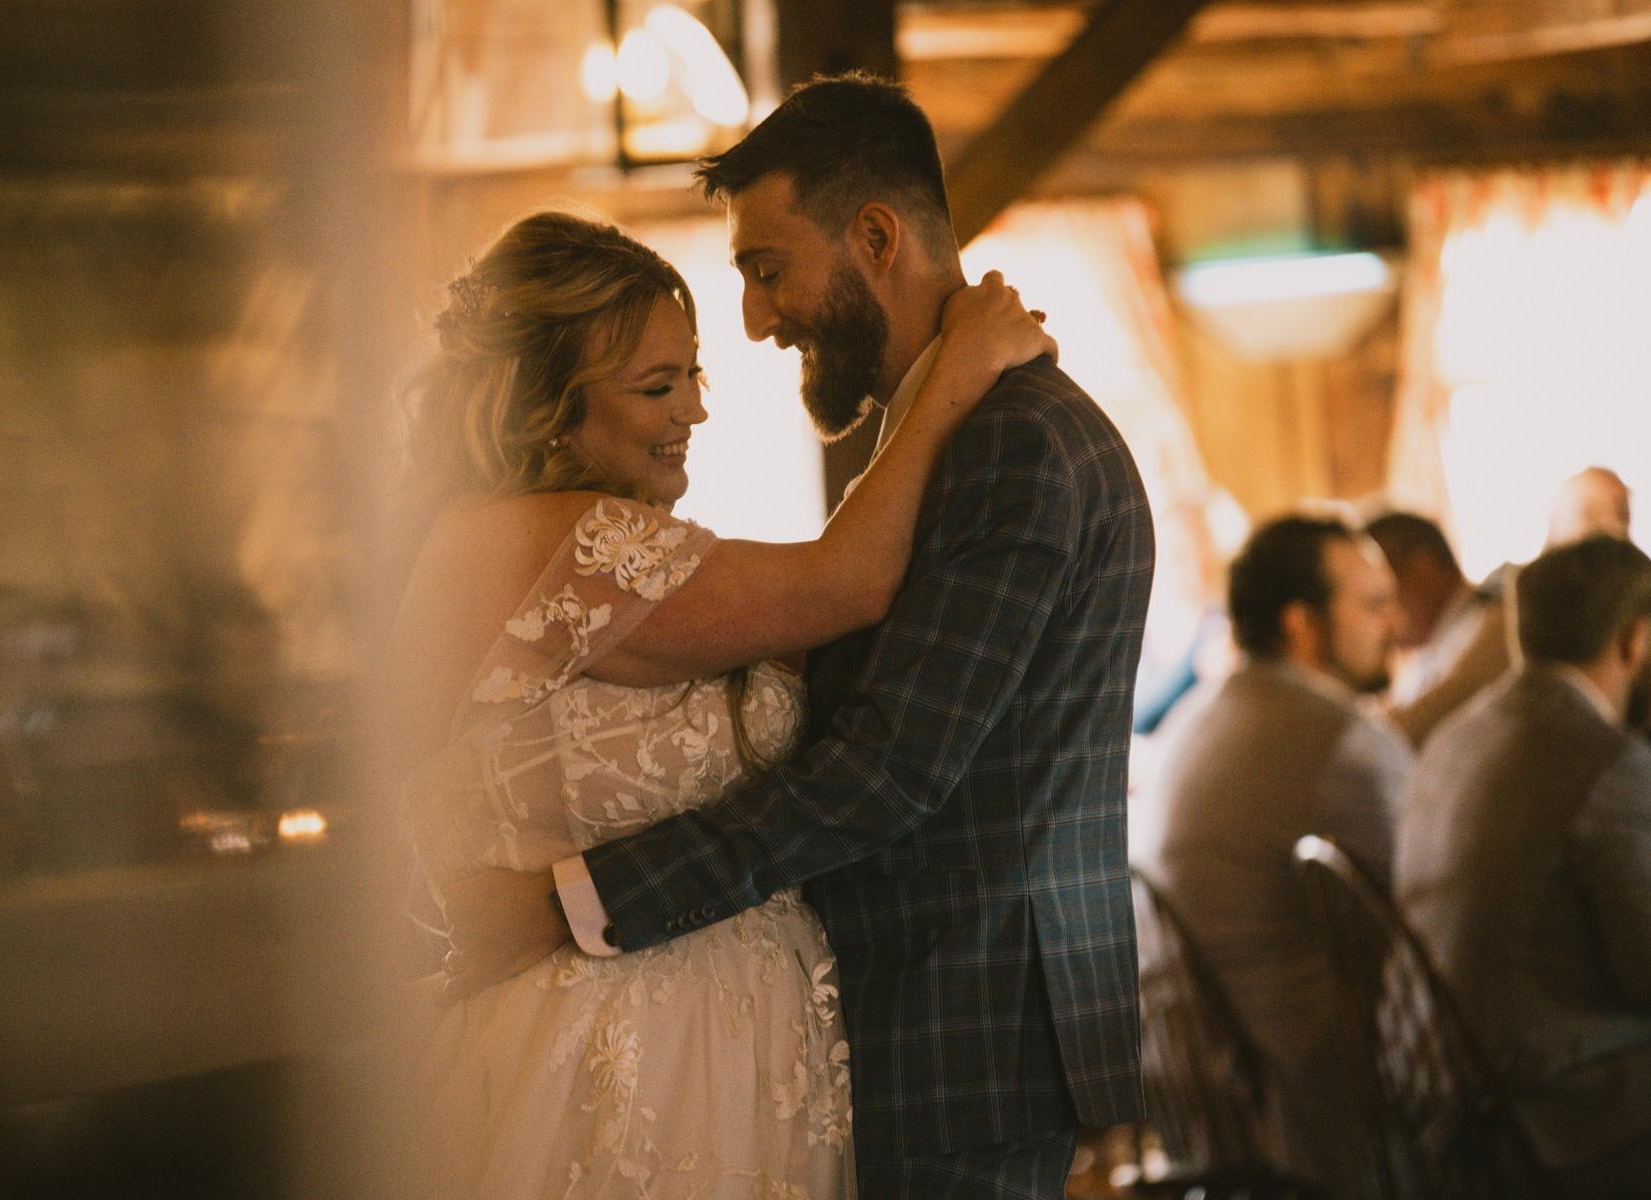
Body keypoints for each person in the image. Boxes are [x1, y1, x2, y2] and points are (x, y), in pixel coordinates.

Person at [526, 74, 1154, 1198]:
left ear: (875, 238)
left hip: (957, 1029)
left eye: (769, 270)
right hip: (935, 1023)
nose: (757, 320)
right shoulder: (953, 432)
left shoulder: (1012, 446)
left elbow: (892, 768)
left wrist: (586, 898)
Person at [389, 208, 1054, 1197]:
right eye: (657, 386)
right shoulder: (550, 547)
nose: (694, 410)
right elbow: (846, 580)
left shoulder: (568, 541)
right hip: (609, 1061)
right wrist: (956, 372)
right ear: (547, 406)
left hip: (729, 1052)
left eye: (694, 375)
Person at [1131, 514, 1410, 1195]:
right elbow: (1432, 925)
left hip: (1203, 1103)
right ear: (1301, 625)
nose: (1395, 622)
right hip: (1320, 1113)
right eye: (1373, 604)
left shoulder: (1195, 723)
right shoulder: (1339, 743)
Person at [1396, 534, 1651, 1191]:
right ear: (1635, 639)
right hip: (1559, 1116)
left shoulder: (1454, 737)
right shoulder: (1608, 762)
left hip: (1447, 1101)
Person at [1365, 510, 1512, 746]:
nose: (1387, 616)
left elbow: (1411, 726)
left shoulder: (1494, 623)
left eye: (1385, 594)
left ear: (1423, 570)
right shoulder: (1433, 643)